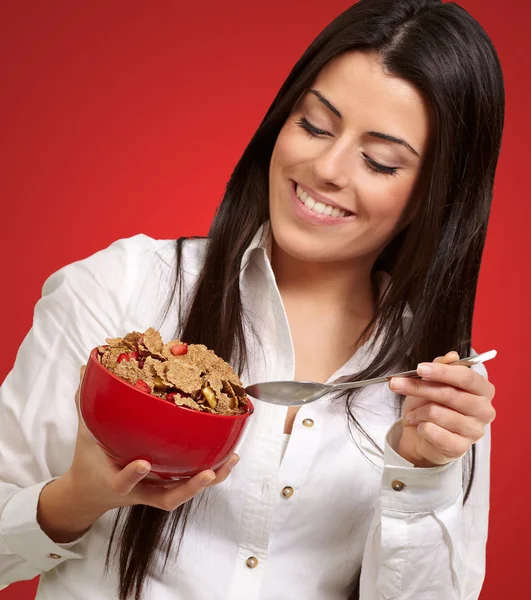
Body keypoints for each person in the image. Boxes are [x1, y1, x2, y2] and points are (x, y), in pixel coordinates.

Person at [0, 0, 503, 598]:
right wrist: (75, 499)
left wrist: (423, 474)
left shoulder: (438, 392)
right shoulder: (120, 289)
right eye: (314, 125)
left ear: (436, 195)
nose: (326, 167)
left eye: (380, 161)